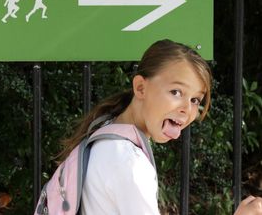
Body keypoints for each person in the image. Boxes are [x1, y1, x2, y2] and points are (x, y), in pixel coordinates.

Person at [55, 39, 262, 215]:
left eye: (195, 100)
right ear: (141, 88)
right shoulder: (129, 162)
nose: (186, 109)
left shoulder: (104, 133)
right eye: (176, 92)